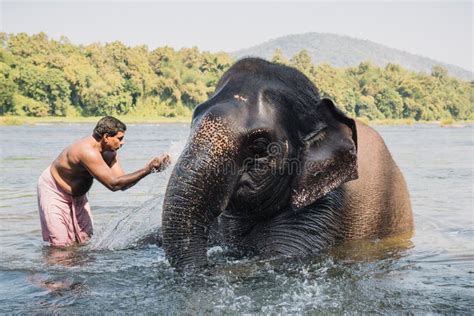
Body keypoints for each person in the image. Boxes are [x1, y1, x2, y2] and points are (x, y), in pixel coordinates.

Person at [37, 116, 170, 247]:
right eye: (119, 138)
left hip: (78, 196)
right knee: (60, 243)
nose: (122, 143)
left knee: (84, 240)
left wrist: (152, 170)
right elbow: (114, 184)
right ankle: (56, 268)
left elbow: (122, 184)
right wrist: (147, 169)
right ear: (106, 137)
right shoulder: (87, 151)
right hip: (54, 191)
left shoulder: (110, 152)